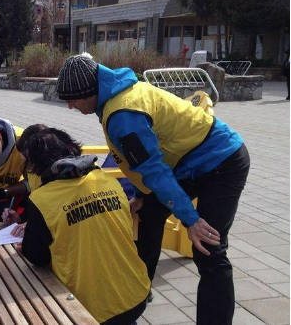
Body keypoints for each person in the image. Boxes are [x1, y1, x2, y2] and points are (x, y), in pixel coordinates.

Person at [56, 53, 250, 325]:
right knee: (149, 214)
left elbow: (155, 171)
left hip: (223, 160)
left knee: (208, 249)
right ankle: (137, 294)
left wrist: (191, 220)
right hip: (189, 162)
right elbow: (147, 158)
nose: (69, 106)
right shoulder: (115, 94)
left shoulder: (123, 115)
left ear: (91, 92)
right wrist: (141, 195)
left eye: (72, 99)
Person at [19, 129, 150, 324]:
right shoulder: (107, 181)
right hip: (137, 292)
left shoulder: (42, 199)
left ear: (37, 167)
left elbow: (36, 256)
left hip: (89, 309)